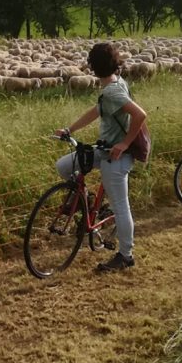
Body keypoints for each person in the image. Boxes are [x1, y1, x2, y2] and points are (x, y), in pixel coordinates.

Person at [53, 42, 147, 272]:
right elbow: (97, 111)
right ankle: (84, 201)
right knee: (64, 166)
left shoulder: (113, 91)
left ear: (93, 66)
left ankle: (125, 255)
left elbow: (140, 115)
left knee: (120, 206)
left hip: (117, 156)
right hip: (104, 149)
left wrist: (124, 144)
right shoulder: (114, 85)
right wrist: (70, 130)